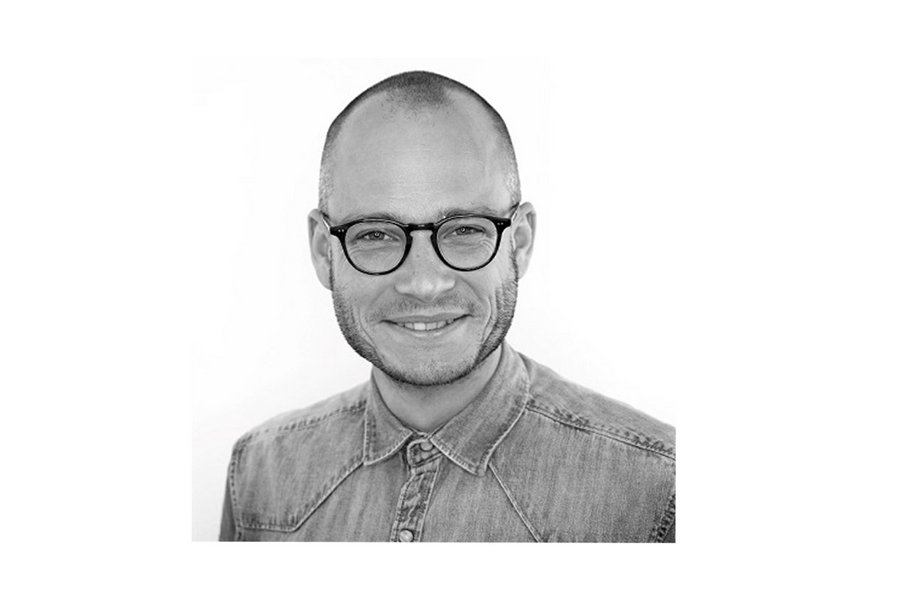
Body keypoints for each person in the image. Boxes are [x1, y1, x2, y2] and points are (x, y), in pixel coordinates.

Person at [219, 70, 675, 542]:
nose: (424, 284)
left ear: (519, 242)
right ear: (322, 251)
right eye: (375, 235)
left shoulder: (658, 491)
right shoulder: (256, 474)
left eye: (465, 230)